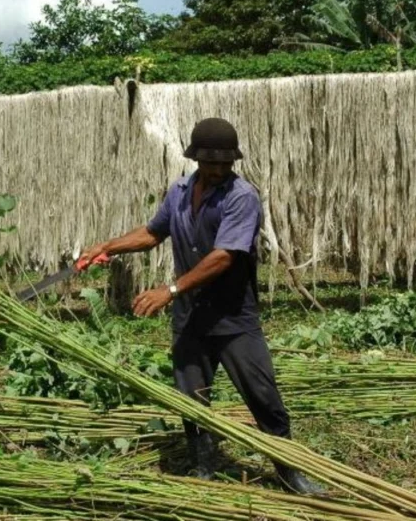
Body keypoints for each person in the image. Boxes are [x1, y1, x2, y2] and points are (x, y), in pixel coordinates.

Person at [79, 117, 324, 495]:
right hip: (190, 317)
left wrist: (171, 289)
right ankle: (203, 467)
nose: (220, 170)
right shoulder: (179, 191)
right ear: (196, 159)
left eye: (226, 163)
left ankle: (289, 471)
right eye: (212, 163)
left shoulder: (242, 196)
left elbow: (223, 257)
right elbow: (152, 232)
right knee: (191, 398)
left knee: (263, 396)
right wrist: (107, 246)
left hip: (233, 317)